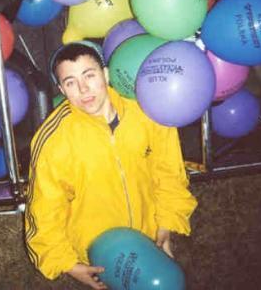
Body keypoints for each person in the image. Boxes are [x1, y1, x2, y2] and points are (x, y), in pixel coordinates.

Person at [24, 40, 197, 289]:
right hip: (100, 252)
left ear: (105, 74)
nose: (83, 89)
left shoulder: (147, 111)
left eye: (89, 75)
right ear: (61, 89)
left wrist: (167, 223)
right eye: (71, 82)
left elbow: (169, 171)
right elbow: (44, 207)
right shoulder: (54, 139)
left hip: (148, 237)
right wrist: (66, 263)